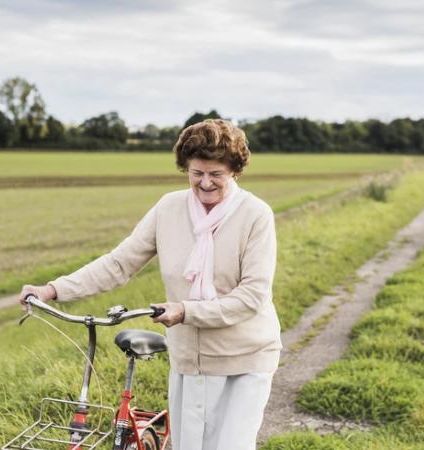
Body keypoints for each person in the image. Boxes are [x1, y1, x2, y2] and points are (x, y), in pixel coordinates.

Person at [18, 119, 281, 450]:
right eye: (197, 173)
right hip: (188, 360)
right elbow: (119, 263)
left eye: (216, 174)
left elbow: (253, 296)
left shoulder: (255, 215)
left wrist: (185, 311)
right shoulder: (169, 208)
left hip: (245, 358)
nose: (205, 183)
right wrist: (52, 290)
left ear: (235, 172)